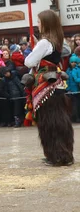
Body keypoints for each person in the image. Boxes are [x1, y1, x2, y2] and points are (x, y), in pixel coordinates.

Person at [24, 10, 73, 166]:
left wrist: (36, 48)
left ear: (45, 23)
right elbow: (67, 51)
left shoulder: (44, 42)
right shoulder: (59, 41)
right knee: (60, 119)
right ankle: (65, 153)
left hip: (45, 84)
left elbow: (29, 62)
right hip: (56, 83)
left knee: (49, 120)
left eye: (39, 22)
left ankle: (56, 154)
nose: (37, 24)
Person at [66, 54, 80, 123]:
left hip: (76, 90)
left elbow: (78, 79)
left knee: (76, 105)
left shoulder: (78, 70)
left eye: (75, 62)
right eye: (72, 62)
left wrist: (77, 78)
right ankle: (72, 117)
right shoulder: (68, 70)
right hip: (69, 90)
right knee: (70, 105)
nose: (73, 63)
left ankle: (77, 117)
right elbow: (66, 80)